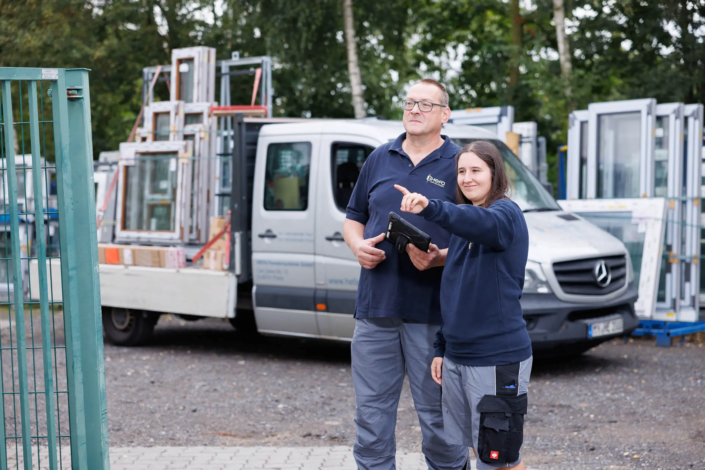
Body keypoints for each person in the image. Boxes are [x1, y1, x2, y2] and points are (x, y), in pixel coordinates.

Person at [343, 79, 468, 470]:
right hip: (375, 309)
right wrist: (357, 246)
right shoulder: (380, 157)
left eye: (426, 105)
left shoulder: (461, 164)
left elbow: (479, 234)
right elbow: (353, 219)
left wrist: (440, 258)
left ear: (445, 115)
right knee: (371, 417)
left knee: (439, 418)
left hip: (433, 314)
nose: (414, 109)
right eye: (410, 102)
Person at [396, 140, 533, 470]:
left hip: (496, 358)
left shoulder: (505, 214)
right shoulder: (463, 227)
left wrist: (431, 208)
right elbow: (456, 291)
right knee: (478, 450)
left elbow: (481, 224)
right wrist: (442, 347)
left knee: (498, 458)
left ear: (494, 173)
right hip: (458, 357)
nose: (467, 178)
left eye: (476, 170)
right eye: (461, 171)